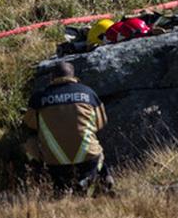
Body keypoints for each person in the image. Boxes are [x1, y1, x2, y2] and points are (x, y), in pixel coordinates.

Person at [23, 62, 112, 196]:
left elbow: (30, 125)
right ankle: (97, 179)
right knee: (97, 151)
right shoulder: (88, 93)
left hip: (55, 162)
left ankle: (44, 178)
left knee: (30, 141)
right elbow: (100, 123)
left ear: (52, 77)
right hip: (88, 157)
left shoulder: (39, 98)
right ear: (73, 75)